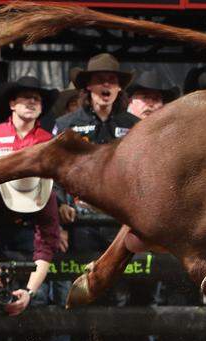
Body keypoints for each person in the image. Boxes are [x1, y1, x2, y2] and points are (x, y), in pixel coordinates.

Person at [0, 75, 61, 317]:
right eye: (26, 97)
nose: (32, 102)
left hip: (34, 223)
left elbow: (57, 183)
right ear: (12, 104)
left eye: (37, 99)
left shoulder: (50, 143)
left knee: (37, 299)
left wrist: (30, 291)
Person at [53, 53, 138, 255]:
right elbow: (54, 167)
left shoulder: (134, 125)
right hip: (80, 218)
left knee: (121, 280)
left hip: (120, 218)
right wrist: (60, 204)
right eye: (100, 80)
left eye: (112, 81)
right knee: (83, 278)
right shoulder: (67, 124)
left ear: (119, 88)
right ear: (88, 86)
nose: (106, 85)